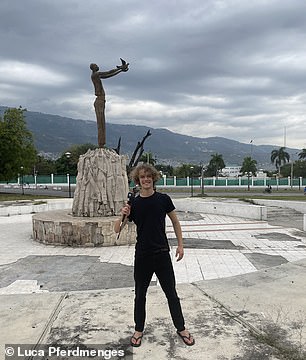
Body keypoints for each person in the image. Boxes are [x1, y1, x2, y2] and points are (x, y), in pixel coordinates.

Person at [114, 163, 195, 347]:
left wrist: (180, 245)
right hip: (142, 255)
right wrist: (123, 214)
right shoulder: (133, 203)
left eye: (149, 176)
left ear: (154, 178)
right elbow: (117, 229)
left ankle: (181, 328)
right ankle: (138, 329)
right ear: (138, 180)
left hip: (162, 254)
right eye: (142, 177)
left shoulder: (163, 199)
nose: (146, 179)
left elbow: (175, 222)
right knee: (140, 295)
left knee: (171, 294)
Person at [90, 59, 129, 147]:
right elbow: (108, 74)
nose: (97, 66)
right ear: (93, 68)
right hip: (99, 100)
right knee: (101, 123)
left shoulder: (95, 75)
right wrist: (120, 69)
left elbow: (109, 74)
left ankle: (102, 143)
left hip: (101, 100)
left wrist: (120, 69)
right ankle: (101, 144)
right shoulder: (95, 75)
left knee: (102, 123)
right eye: (96, 65)